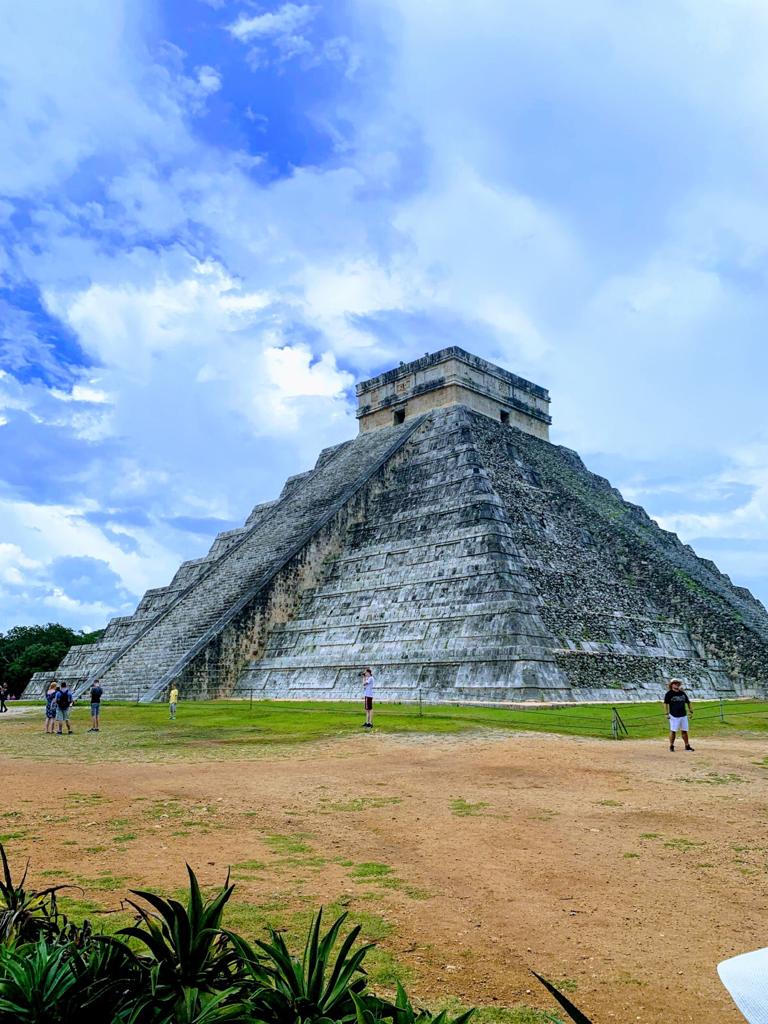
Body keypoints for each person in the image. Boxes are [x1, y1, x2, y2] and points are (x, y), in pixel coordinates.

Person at [664, 678, 694, 751]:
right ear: (671, 685)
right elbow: (665, 703)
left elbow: (688, 701)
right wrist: (666, 713)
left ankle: (687, 746)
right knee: (673, 730)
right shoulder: (669, 694)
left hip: (683, 714)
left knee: (684, 730)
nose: (677, 684)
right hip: (674, 715)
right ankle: (671, 746)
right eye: (675, 683)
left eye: (678, 683)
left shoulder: (682, 693)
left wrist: (690, 710)